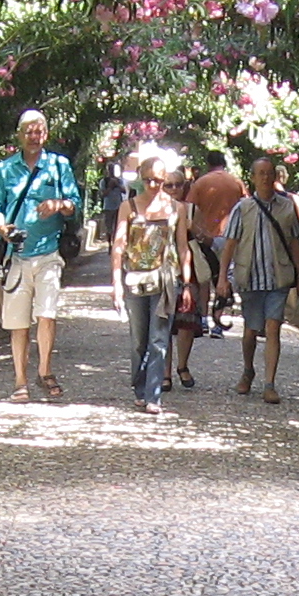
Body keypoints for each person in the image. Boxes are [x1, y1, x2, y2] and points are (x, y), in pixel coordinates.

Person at [0, 109, 81, 403]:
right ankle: (20, 381)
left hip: (49, 252)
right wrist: (2, 228)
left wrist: (58, 204)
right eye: (29, 131)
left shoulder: (58, 165)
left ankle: (44, 371)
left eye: (39, 131)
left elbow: (75, 204)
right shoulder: (6, 169)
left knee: (47, 314)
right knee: (18, 322)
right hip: (16, 255)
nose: (34, 137)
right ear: (20, 135)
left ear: (46, 134)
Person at [219, 153, 299, 404]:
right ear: (253, 178)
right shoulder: (243, 208)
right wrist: (222, 277)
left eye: (270, 173)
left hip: (278, 278)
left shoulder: (287, 207)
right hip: (250, 278)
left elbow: (294, 244)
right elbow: (230, 244)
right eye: (261, 174)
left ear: (275, 177)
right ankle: (248, 370)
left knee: (273, 327)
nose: (266, 178)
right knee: (251, 330)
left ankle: (269, 384)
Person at [111, 150, 187, 413]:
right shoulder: (128, 207)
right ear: (140, 179)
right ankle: (140, 388)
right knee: (138, 340)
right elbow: (119, 247)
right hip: (135, 280)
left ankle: (153, 395)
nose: (153, 185)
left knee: (159, 339)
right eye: (148, 180)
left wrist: (187, 282)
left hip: (165, 281)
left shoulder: (177, 209)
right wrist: (116, 284)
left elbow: (182, 247)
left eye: (158, 180)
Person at [187, 148, 245, 337]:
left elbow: (190, 209)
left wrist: (197, 233)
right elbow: (247, 206)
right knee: (225, 278)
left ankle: (204, 319)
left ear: (208, 164)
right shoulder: (236, 182)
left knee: (205, 278)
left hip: (206, 238)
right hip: (231, 238)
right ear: (224, 163)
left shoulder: (200, 183)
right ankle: (219, 322)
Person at [164, 165, 212, 387]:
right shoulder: (156, 210)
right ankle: (165, 373)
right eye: (168, 185)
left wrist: (194, 229)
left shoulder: (192, 209)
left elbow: (208, 239)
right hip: (164, 270)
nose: (174, 189)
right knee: (163, 322)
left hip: (188, 271)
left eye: (178, 184)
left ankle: (182, 366)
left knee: (186, 322)